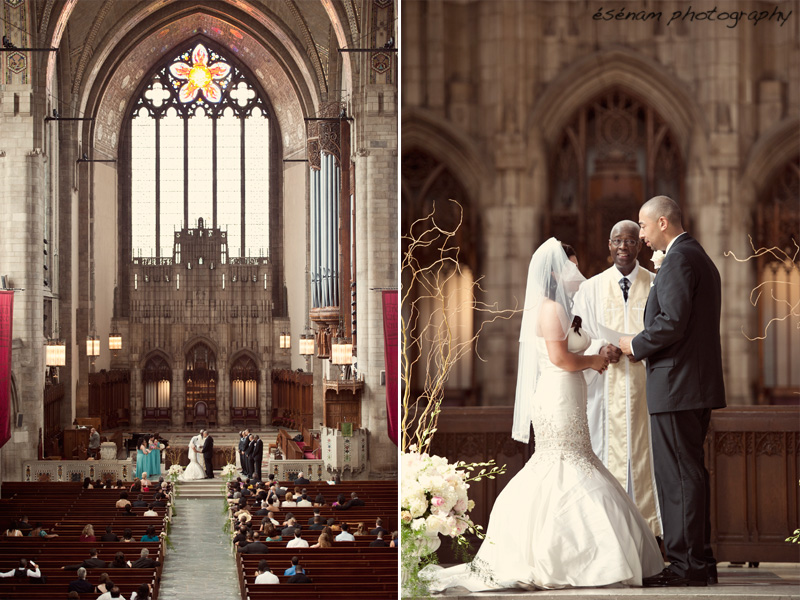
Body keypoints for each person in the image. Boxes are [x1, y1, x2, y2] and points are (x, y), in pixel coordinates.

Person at [423, 238, 663, 592]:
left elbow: (575, 346)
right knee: (561, 462)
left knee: (577, 460)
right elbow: (561, 359)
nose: (577, 272)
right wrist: (594, 360)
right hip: (557, 395)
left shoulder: (565, 307)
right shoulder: (550, 308)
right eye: (572, 266)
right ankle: (565, 558)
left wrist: (597, 351)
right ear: (555, 271)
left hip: (571, 392)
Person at [619, 196, 726, 587]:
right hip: (688, 383)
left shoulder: (680, 258)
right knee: (689, 474)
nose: (641, 236)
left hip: (678, 384)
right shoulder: (695, 255)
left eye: (643, 228)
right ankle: (700, 560)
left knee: (678, 476)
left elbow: (673, 322)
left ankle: (686, 566)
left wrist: (636, 344)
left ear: (662, 222)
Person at [572, 220, 662, 539]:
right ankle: (609, 536)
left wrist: (642, 347)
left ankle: (651, 537)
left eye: (630, 241)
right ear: (608, 246)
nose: (623, 246)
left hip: (646, 388)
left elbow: (668, 330)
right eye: (617, 241)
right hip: (605, 388)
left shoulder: (656, 284)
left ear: (640, 245)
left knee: (645, 458)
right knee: (604, 455)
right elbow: (579, 335)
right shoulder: (590, 288)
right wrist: (601, 347)